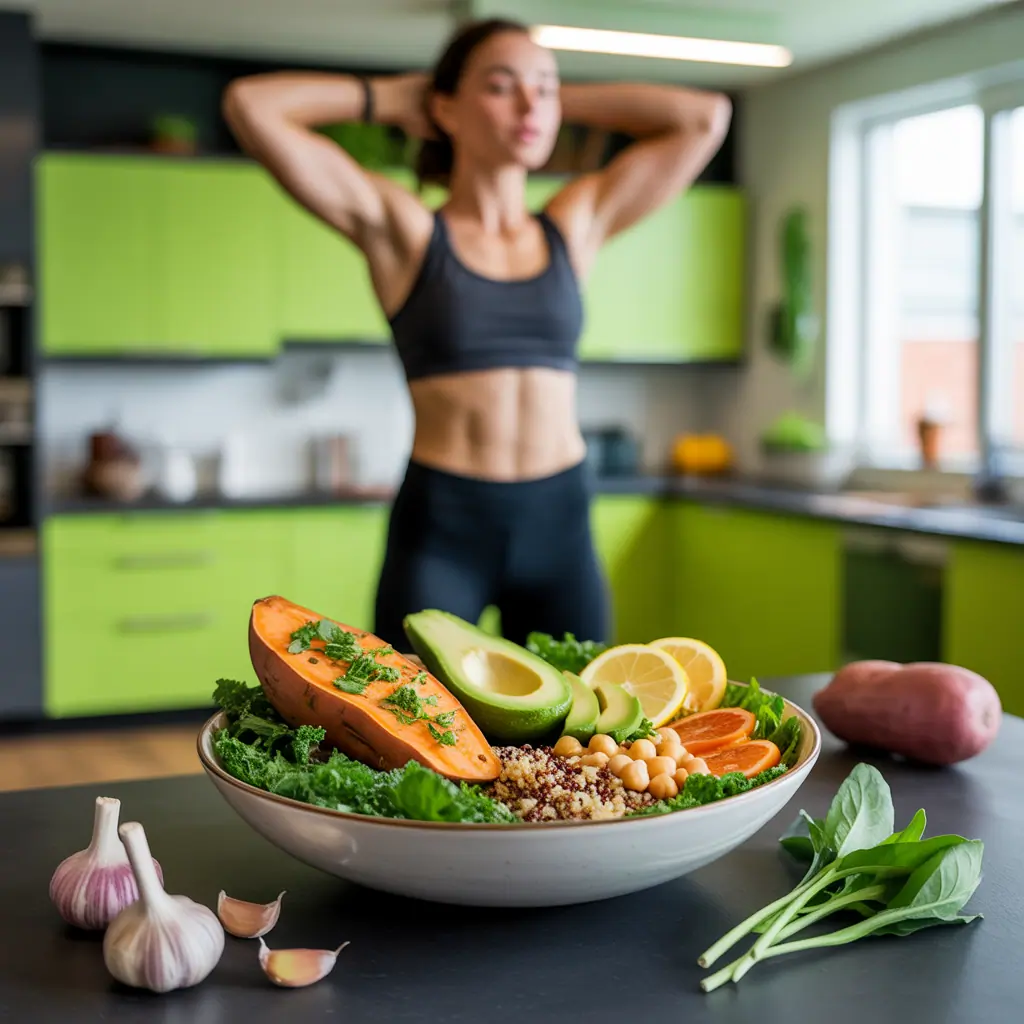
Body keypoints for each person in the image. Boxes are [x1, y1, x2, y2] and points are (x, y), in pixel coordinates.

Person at [222, 17, 731, 650]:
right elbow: (252, 106)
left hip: (560, 521)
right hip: (444, 526)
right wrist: (392, 99)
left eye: (543, 88)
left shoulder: (573, 226)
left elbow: (705, 118)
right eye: (501, 86)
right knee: (417, 739)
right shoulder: (406, 233)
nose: (529, 103)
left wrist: (540, 100)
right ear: (446, 107)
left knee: (578, 743)